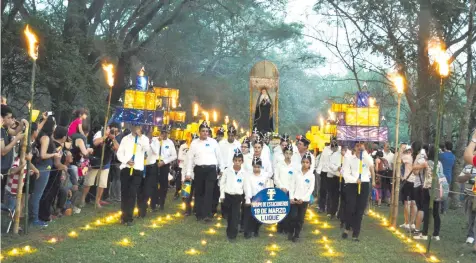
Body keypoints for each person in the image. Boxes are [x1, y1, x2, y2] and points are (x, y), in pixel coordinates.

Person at [186, 121, 223, 222]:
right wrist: (188, 173)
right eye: (203, 131)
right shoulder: (194, 143)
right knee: (199, 192)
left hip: (211, 170)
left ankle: (207, 214)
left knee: (209, 192)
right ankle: (199, 213)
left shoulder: (213, 142)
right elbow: (190, 159)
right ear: (199, 132)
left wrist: (222, 169)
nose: (205, 133)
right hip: (199, 170)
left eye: (207, 131)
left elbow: (219, 156)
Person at [341, 142, 375, 241]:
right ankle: (347, 227)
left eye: (361, 145)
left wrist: (364, 153)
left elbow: (371, 164)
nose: (359, 147)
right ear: (354, 147)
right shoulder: (348, 158)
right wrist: (355, 180)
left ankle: (356, 234)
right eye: (357, 146)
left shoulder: (366, 157)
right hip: (352, 185)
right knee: (351, 208)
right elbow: (345, 174)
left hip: (364, 184)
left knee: (360, 210)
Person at [116, 124, 149, 226]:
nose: (135, 128)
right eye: (134, 126)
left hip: (137, 169)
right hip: (126, 168)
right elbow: (119, 154)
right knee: (125, 193)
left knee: (132, 192)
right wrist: (127, 160)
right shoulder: (125, 139)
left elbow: (147, 149)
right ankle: (123, 216)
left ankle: (129, 217)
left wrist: (140, 137)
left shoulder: (144, 139)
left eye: (138, 127)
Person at [80, 123, 119, 208]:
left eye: (115, 130)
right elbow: (95, 143)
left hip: (106, 163)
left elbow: (117, 148)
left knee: (102, 184)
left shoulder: (114, 137)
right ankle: (82, 199)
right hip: (95, 161)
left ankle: (97, 201)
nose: (113, 131)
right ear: (107, 128)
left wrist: (113, 138)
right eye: (112, 129)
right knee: (88, 182)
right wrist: (105, 136)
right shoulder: (100, 133)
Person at [29, 116, 59, 227]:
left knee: (36, 194)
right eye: (54, 124)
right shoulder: (45, 138)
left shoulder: (40, 134)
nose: (55, 126)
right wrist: (54, 154)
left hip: (41, 167)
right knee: (37, 195)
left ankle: (33, 217)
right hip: (43, 167)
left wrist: (44, 119)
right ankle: (34, 220)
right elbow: (43, 154)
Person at [414, 145, 447, 241]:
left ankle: (424, 233)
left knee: (426, 210)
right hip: (437, 189)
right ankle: (436, 234)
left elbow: (414, 168)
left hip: (427, 188)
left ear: (429, 153)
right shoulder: (440, 163)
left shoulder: (426, 163)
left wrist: (418, 158)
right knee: (436, 212)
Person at [39, 126, 68, 222]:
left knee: (47, 193)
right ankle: (45, 216)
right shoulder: (58, 147)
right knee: (49, 194)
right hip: (53, 174)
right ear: (64, 137)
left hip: (49, 171)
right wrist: (64, 167)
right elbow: (57, 163)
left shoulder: (52, 143)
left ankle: (46, 214)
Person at [220, 149, 247, 241]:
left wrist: (247, 198)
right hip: (228, 195)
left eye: (239, 160)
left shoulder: (244, 173)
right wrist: (222, 195)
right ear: (233, 160)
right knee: (229, 216)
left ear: (242, 161)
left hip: (237, 196)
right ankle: (229, 231)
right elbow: (222, 183)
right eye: (235, 160)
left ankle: (233, 235)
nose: (237, 162)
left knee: (235, 216)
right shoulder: (227, 170)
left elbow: (246, 186)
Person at [288, 152, 315, 242]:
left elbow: (310, 189)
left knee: (300, 218)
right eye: (303, 162)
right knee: (293, 216)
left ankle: (296, 234)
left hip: (304, 200)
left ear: (310, 164)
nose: (305, 164)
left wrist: (302, 199)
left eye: (307, 162)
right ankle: (291, 232)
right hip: (295, 199)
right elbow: (292, 185)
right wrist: (291, 197)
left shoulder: (311, 176)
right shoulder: (296, 173)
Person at [1, 105, 25, 201]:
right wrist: (15, 141)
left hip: (4, 169)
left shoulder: (5, 128)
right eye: (9, 118)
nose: (11, 120)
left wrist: (22, 124)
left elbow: (15, 132)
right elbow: (2, 152)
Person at [218, 126, 241, 218]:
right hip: (223, 169)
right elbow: (219, 157)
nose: (231, 137)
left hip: (233, 169)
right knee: (223, 188)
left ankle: (231, 210)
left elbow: (239, 158)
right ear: (227, 135)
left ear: (235, 136)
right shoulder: (221, 143)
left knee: (231, 189)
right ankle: (224, 211)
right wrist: (221, 169)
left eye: (233, 135)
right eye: (229, 135)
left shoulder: (238, 145)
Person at [137, 129, 160, 218]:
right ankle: (140, 209)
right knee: (139, 190)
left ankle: (143, 210)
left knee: (147, 190)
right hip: (141, 167)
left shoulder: (155, 142)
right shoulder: (140, 141)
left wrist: (150, 143)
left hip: (151, 168)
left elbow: (156, 152)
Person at [153, 125, 177, 211]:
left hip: (164, 164)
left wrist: (164, 162)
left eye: (166, 133)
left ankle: (162, 202)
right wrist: (157, 141)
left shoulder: (170, 143)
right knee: (154, 184)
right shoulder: (154, 140)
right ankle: (154, 202)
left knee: (164, 185)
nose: (164, 134)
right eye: (163, 132)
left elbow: (174, 156)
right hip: (155, 163)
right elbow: (152, 150)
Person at [243, 157, 268, 238]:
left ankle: (256, 230)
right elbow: (247, 187)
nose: (256, 168)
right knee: (249, 216)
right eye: (254, 166)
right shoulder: (248, 175)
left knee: (259, 216)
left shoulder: (264, 176)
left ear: (260, 167)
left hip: (261, 198)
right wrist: (248, 198)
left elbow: (266, 187)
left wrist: (265, 198)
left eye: (258, 167)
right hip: (251, 197)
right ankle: (247, 232)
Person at [274, 144, 295, 234]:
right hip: (280, 189)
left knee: (289, 210)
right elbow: (276, 178)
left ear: (292, 154)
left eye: (290, 153)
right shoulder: (279, 164)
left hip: (290, 191)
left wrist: (289, 189)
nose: (288, 155)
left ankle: (287, 228)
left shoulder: (294, 166)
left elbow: (294, 179)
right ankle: (280, 227)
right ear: (284, 153)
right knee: (280, 209)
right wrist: (281, 186)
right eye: (286, 153)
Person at [411, 141, 427, 234]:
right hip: (420, 184)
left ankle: (417, 229)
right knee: (420, 206)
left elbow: (416, 172)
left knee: (420, 207)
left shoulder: (421, 156)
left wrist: (415, 165)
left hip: (420, 184)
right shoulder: (423, 155)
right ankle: (417, 227)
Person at [400, 144, 417, 230]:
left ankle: (407, 222)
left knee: (407, 202)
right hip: (416, 182)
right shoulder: (419, 158)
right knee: (414, 203)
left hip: (408, 181)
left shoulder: (407, 157)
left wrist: (401, 150)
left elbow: (398, 160)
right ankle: (412, 223)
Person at [182, 133, 198, 216]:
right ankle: (187, 210)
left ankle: (196, 209)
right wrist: (182, 178)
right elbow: (184, 166)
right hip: (188, 176)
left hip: (198, 176)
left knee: (198, 194)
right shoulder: (188, 153)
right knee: (187, 195)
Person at [439, 141, 455, 213]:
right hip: (449, 176)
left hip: (441, 176)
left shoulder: (442, 155)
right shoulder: (453, 156)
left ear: (445, 147)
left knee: (439, 192)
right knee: (446, 193)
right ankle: (444, 209)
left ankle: (438, 208)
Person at [327, 140, 341, 218]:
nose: (334, 148)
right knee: (330, 195)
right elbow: (329, 166)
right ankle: (330, 210)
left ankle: (333, 211)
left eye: (336, 146)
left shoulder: (339, 154)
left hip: (337, 177)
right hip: (330, 176)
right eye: (333, 146)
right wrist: (336, 168)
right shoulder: (329, 154)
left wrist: (336, 168)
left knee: (335, 196)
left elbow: (337, 166)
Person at [317, 140, 332, 213]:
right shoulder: (326, 149)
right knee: (323, 190)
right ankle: (321, 206)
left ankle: (330, 208)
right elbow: (322, 161)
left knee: (331, 192)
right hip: (325, 172)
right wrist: (319, 171)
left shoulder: (339, 149)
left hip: (334, 173)